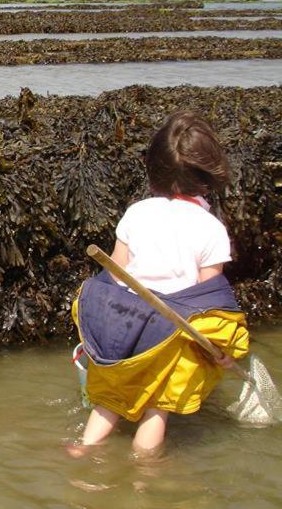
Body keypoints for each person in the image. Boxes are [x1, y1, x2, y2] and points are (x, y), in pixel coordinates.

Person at [71, 111, 249, 457]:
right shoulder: (210, 228)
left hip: (123, 321)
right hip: (168, 329)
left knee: (108, 402)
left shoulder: (137, 212)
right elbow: (210, 301)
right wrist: (223, 351)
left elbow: (115, 274)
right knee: (156, 409)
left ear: (153, 166)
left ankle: (82, 452)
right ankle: (145, 476)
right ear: (210, 174)